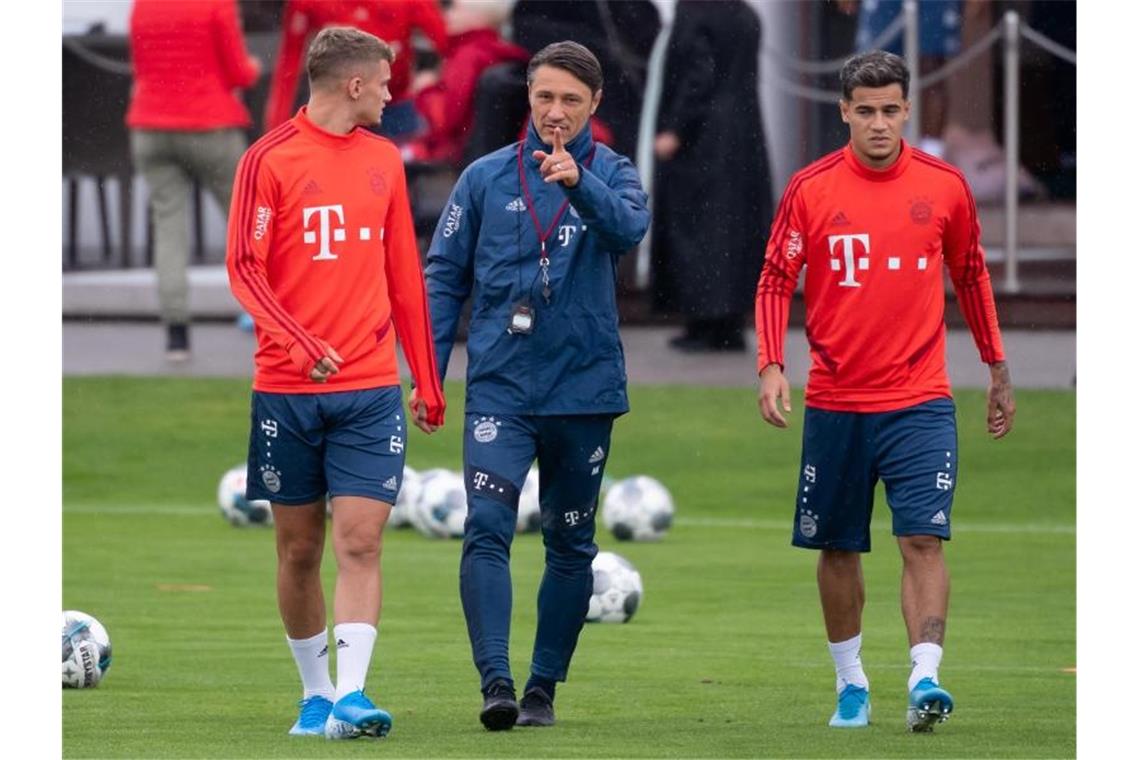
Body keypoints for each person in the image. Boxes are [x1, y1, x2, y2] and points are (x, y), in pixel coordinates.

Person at [754, 50, 1015, 732]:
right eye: (864, 110)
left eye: (889, 110)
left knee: (922, 541)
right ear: (844, 111)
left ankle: (926, 676)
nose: (877, 123)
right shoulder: (811, 189)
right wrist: (771, 363)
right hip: (837, 403)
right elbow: (775, 279)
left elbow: (973, 274)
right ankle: (851, 686)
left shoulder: (946, 187)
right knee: (838, 548)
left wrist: (996, 366)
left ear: (907, 111)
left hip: (920, 400)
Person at [225, 26, 446, 740]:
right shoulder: (268, 160)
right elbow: (243, 268)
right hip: (286, 393)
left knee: (361, 542)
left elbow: (405, 277)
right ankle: (315, 695)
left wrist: (428, 375)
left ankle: (353, 696)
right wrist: (296, 340)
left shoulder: (385, 158)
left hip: (371, 387)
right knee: (298, 550)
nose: (392, 91)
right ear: (354, 84)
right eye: (385, 81)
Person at [424, 41, 649, 731]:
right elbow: (443, 275)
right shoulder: (485, 179)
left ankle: (542, 687)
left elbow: (631, 230)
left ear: (594, 105)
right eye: (545, 97)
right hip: (499, 386)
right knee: (487, 526)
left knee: (570, 541)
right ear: (528, 94)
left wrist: (578, 181)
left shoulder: (613, 173)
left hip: (583, 391)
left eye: (571, 101)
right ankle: (495, 680)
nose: (555, 112)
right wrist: (428, 372)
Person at [126, 0, 261, 360]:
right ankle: (268, 316)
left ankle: (177, 334)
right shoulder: (215, 4)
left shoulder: (143, 5)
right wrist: (254, 69)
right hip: (210, 123)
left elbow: (139, 66)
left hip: (151, 124)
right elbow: (238, 72)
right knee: (248, 222)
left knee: (168, 227)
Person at [650, 0, 773, 352]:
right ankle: (729, 322)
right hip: (744, 134)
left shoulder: (697, 12)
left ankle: (705, 320)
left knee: (701, 228)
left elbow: (697, 75)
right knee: (734, 228)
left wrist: (674, 127)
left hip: (706, 138)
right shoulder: (745, 13)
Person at [262, 0, 447, 139]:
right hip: (341, 109)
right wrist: (276, 128)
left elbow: (447, 43)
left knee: (404, 175)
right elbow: (289, 64)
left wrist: (435, 85)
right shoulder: (311, 3)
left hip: (393, 104)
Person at [403, 0, 529, 165]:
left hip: (453, 158)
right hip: (489, 154)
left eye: (454, 9)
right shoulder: (501, 51)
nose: (446, 15)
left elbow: (445, 121)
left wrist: (426, 90)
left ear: (477, 17)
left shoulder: (467, 57)